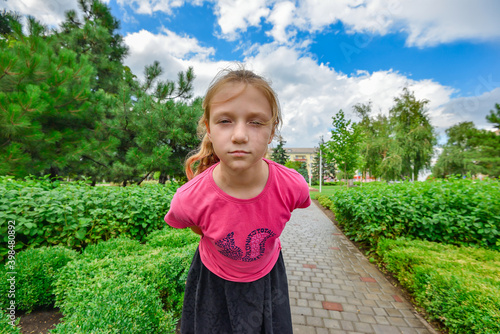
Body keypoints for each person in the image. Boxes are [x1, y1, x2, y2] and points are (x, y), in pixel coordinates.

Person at [165, 66, 311, 334]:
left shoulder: (293, 187)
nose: (240, 135)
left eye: (256, 122)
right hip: (212, 283)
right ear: (208, 128)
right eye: (225, 121)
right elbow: (198, 228)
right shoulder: (189, 199)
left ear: (272, 130)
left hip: (268, 279)